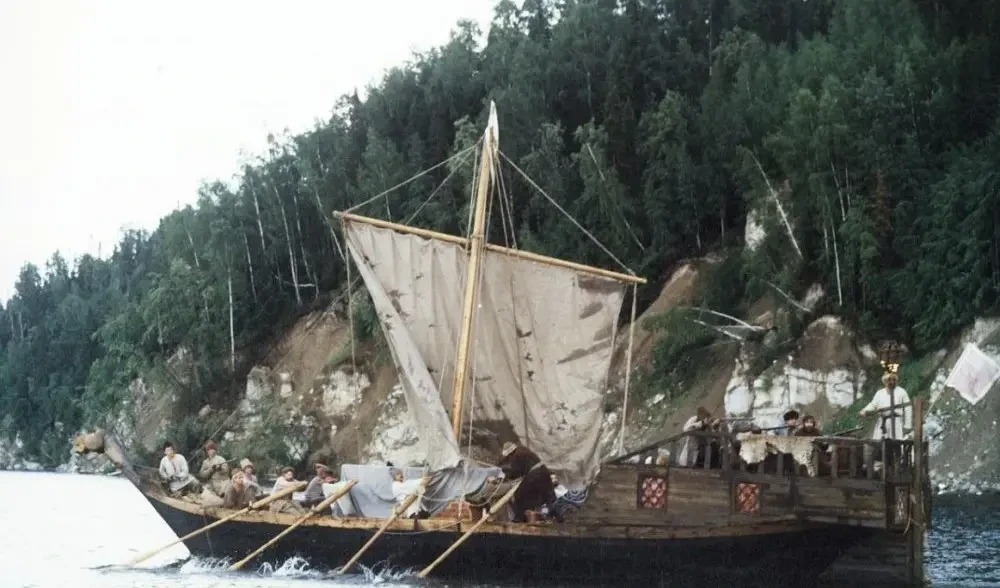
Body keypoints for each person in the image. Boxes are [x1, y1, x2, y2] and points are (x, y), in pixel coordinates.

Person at [497, 442, 557, 522]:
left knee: (519, 493)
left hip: (535, 474)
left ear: (510, 453)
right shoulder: (524, 450)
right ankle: (557, 516)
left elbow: (516, 472)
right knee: (548, 495)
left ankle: (519, 517)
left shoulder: (517, 456)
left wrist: (505, 475)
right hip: (544, 472)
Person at [859, 372, 912, 440]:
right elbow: (873, 404)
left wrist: (907, 425)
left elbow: (908, 408)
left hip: (896, 423)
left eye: (893, 379)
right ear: (885, 381)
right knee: (879, 443)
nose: (891, 382)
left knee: (896, 442)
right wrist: (864, 410)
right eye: (889, 380)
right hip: (882, 422)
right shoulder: (880, 393)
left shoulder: (901, 392)